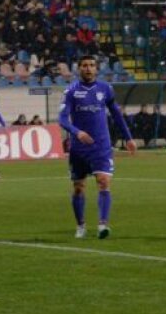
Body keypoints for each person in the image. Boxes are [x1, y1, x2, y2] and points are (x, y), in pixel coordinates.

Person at [58, 55, 136, 239]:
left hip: (101, 146)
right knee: (78, 187)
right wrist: (77, 132)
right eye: (84, 65)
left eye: (92, 65)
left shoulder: (105, 89)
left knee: (103, 181)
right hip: (78, 148)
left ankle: (103, 225)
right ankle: (81, 225)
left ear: (96, 68)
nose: (88, 68)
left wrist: (128, 138)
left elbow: (116, 115)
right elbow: (62, 119)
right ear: (79, 69)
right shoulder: (71, 91)